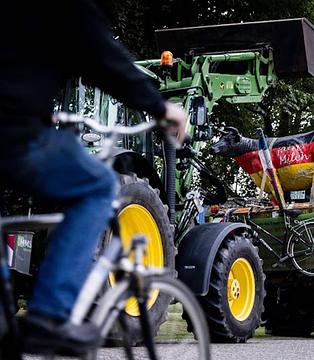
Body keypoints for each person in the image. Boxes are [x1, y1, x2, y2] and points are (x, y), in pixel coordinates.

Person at [0, 0, 186, 353]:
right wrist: (161, 107)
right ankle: (50, 315)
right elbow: (102, 56)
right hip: (15, 131)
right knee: (99, 186)